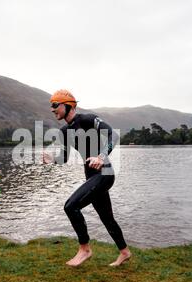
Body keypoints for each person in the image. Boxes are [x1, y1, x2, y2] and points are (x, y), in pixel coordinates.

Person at [43, 89, 131, 267]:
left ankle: (85, 249)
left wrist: (101, 156)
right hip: (91, 175)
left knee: (71, 206)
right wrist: (52, 159)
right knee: (107, 217)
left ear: (68, 106)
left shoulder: (88, 119)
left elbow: (113, 135)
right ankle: (125, 252)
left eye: (55, 105)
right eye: (51, 106)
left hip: (104, 173)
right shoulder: (64, 131)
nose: (52, 109)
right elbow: (64, 158)